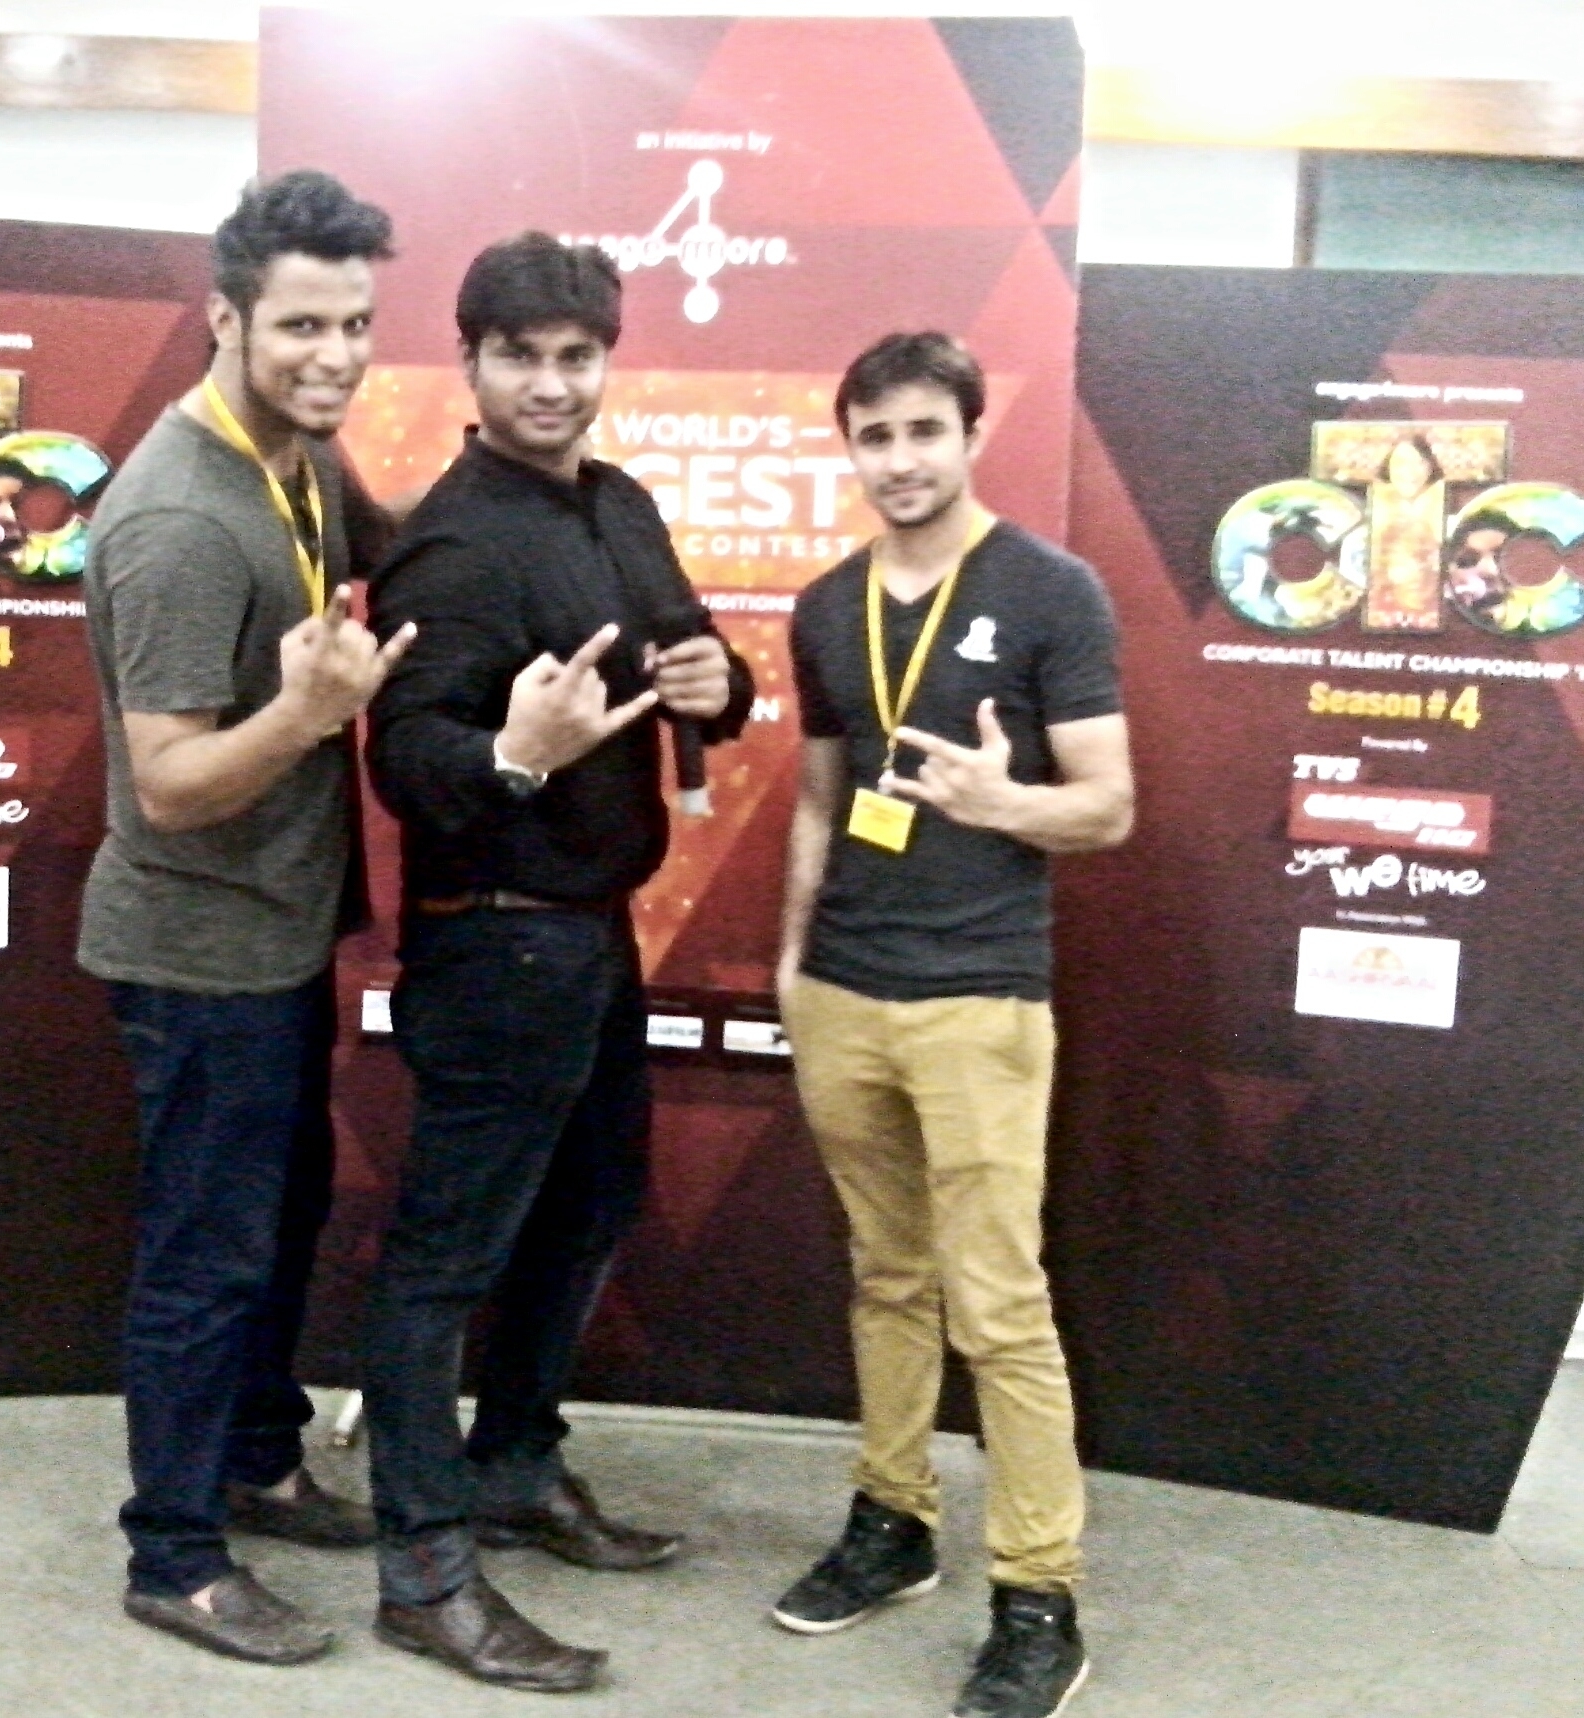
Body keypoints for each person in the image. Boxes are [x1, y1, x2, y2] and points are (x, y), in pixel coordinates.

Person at [361, 232, 755, 1693]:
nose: (548, 382)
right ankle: (423, 1571)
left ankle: (515, 1468)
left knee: (588, 1211)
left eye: (574, 355)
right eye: (518, 355)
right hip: (492, 943)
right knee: (441, 1265)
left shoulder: (619, 501)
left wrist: (723, 679)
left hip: (589, 934)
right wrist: (511, 757)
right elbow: (406, 757)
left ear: (605, 362)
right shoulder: (454, 541)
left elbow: (689, 660)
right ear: (469, 362)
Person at [770, 332, 1134, 1718]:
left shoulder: (1051, 591)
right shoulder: (826, 606)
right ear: (851, 448)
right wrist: (794, 960)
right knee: (885, 1274)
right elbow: (821, 798)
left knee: (999, 1304)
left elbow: (1107, 805)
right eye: (875, 435)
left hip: (979, 996)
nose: (901, 459)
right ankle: (894, 1519)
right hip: (844, 991)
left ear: (972, 435)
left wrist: (1002, 803)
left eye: (926, 430)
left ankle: (1040, 1598)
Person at [76, 170, 410, 1669]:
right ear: (224, 319)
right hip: (197, 955)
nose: (335, 356)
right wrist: (305, 713)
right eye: (301, 327)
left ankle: (260, 1463)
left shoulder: (299, 457)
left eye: (354, 324)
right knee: (206, 1257)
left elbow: (402, 544)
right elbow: (169, 785)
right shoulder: (179, 519)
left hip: (276, 935)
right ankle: (176, 1552)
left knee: (277, 1222)